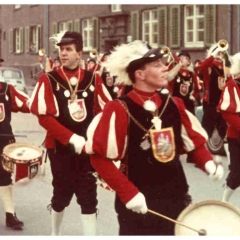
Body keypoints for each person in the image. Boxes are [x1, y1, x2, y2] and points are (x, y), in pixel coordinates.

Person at [84, 40, 224, 236]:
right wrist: (129, 193)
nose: (165, 68)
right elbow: (99, 158)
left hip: (176, 196)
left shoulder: (174, 104)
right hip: (139, 201)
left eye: (163, 64)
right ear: (140, 74)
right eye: (157, 65)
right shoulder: (119, 108)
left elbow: (194, 143)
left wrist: (208, 164)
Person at [28, 31, 112, 236]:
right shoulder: (49, 79)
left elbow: (106, 112)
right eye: (61, 50)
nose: (63, 54)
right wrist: (70, 137)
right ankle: (55, 234)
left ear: (79, 53)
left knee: (88, 197)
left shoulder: (94, 79)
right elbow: (44, 117)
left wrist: (98, 141)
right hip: (60, 149)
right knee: (61, 196)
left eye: (69, 50)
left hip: (87, 149)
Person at [0, 60, 30, 229]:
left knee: (4, 178)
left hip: (4, 143)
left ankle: (10, 215)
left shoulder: (6, 89)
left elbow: (27, 103)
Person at [197, 43, 231, 146]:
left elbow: (229, 80)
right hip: (210, 103)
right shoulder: (209, 66)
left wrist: (226, 61)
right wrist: (214, 53)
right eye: (218, 53)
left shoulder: (225, 67)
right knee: (206, 130)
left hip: (222, 104)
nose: (219, 55)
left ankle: (231, 159)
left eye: (221, 53)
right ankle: (198, 155)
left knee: (225, 131)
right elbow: (202, 66)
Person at [217, 52, 240, 202]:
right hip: (236, 136)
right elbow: (227, 113)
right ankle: (224, 202)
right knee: (237, 173)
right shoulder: (232, 85)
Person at [166, 51, 201, 115]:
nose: (181, 59)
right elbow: (167, 76)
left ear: (189, 62)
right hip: (176, 102)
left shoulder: (193, 74)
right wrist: (170, 61)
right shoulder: (175, 72)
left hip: (188, 103)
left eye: (184, 58)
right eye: (180, 57)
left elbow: (197, 89)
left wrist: (193, 96)